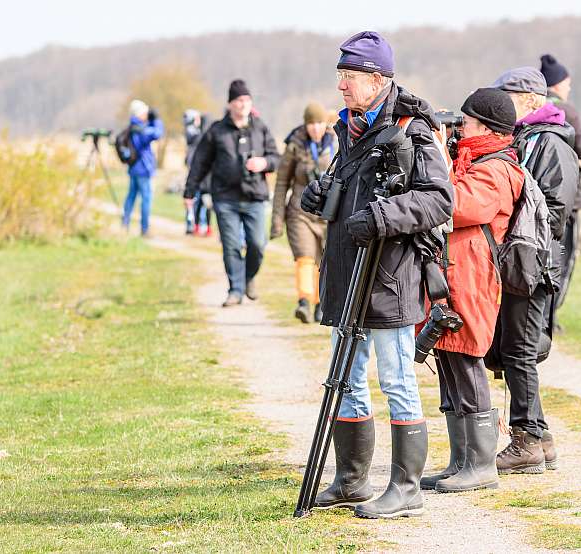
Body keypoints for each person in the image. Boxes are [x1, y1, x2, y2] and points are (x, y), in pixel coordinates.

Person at [300, 31, 453, 519]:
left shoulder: (414, 130)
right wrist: (322, 194)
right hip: (346, 271)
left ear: (377, 78)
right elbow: (351, 187)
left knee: (397, 380)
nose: (341, 85)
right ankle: (351, 482)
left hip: (389, 275)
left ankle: (406, 489)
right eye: (339, 75)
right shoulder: (349, 128)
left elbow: (438, 200)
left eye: (349, 76)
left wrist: (383, 218)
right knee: (343, 378)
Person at [419, 89, 524, 494]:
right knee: (447, 360)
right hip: (454, 275)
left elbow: (458, 206)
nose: (461, 127)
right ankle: (460, 460)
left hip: (474, 279)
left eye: (467, 121)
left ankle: (480, 464)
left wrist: (440, 163)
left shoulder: (496, 168)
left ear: (486, 126)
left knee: (466, 360)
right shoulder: (474, 160)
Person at [491, 67, 578, 475]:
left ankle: (525, 440)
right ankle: (540, 438)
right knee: (514, 350)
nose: (500, 101)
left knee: (521, 352)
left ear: (530, 98)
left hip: (534, 263)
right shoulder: (527, 139)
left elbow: (554, 213)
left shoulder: (552, 144)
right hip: (521, 260)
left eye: (506, 93)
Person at [184, 80, 280, 307]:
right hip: (225, 198)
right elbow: (200, 163)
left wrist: (264, 162)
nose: (243, 104)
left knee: (257, 244)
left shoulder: (260, 127)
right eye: (238, 100)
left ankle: (247, 278)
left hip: (255, 196)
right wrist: (189, 191)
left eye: (247, 100)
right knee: (231, 246)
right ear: (230, 104)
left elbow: (276, 157)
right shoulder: (216, 131)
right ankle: (235, 290)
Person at [270, 102, 335, 324]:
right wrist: (277, 220)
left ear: (325, 124)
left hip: (328, 213)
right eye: (311, 124)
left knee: (323, 261)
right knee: (305, 257)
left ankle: (319, 304)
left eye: (319, 123)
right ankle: (304, 302)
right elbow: (281, 184)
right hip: (299, 212)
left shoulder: (337, 142)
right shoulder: (294, 146)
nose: (315, 128)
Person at [540, 54, 581, 311]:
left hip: (539, 197)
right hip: (566, 198)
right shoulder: (566, 110)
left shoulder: (533, 104)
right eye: (567, 82)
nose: (569, 88)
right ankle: (552, 315)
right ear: (558, 83)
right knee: (563, 256)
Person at [121, 99, 163, 236]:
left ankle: (124, 224)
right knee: (146, 198)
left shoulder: (133, 127)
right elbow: (157, 133)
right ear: (139, 113)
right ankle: (144, 229)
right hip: (143, 169)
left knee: (131, 196)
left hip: (134, 168)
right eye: (145, 112)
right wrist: (156, 119)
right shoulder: (141, 129)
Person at [183, 109, 214, 237]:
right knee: (196, 201)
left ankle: (205, 227)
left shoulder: (199, 134)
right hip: (198, 173)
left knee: (205, 202)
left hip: (205, 174)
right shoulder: (193, 133)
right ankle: (193, 226)